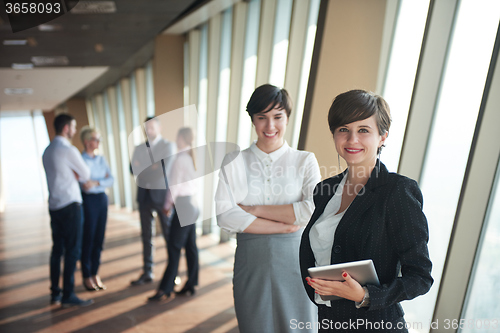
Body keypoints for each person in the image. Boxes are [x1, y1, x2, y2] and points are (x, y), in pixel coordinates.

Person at [299, 89, 433, 332]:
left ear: (382, 136)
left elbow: (420, 277)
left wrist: (365, 295)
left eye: (363, 130)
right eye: (343, 130)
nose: (352, 140)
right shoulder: (325, 190)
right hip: (329, 323)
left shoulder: (398, 192)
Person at [215, 84, 321, 332]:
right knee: (255, 325)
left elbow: (311, 210)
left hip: (297, 261)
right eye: (262, 117)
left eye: (277, 117)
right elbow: (225, 216)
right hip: (251, 261)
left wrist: (253, 209)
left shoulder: (304, 160)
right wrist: (283, 227)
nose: (270, 126)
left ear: (287, 118)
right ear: (252, 119)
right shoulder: (235, 161)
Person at [42, 114, 94, 308]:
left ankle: (55, 293)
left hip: (54, 205)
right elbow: (86, 174)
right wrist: (77, 174)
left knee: (57, 251)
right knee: (73, 251)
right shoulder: (68, 150)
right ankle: (68, 294)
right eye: (73, 126)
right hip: (71, 205)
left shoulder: (47, 151)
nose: (74, 130)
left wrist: (75, 173)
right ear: (66, 128)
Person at [148, 127, 200, 301]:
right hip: (193, 204)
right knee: (191, 246)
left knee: (174, 247)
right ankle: (191, 284)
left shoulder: (180, 158)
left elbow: (175, 186)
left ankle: (165, 288)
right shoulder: (193, 157)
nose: (175, 139)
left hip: (184, 205)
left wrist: (166, 205)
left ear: (182, 138)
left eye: (177, 136)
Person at [130, 117, 176, 285]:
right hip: (144, 196)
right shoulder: (139, 148)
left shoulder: (168, 146)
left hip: (162, 197)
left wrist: (143, 166)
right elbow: (132, 169)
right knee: (146, 236)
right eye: (146, 128)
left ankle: (173, 273)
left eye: (151, 127)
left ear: (159, 127)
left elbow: (162, 171)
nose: (148, 131)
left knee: (169, 235)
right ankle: (147, 271)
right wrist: (152, 166)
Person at [79, 126, 114, 291]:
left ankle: (95, 273)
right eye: (95, 139)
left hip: (101, 199)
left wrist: (96, 181)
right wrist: (99, 180)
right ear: (87, 142)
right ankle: (86, 275)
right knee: (89, 238)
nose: (98, 142)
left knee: (99, 238)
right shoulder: (80, 160)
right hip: (88, 201)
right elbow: (85, 186)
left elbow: (111, 179)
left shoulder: (101, 159)